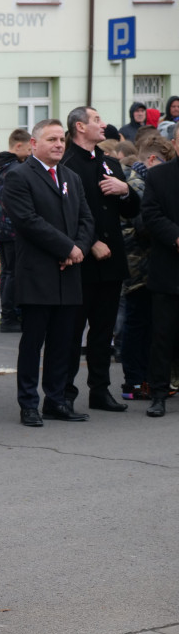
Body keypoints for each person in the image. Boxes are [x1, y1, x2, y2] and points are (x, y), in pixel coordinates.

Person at [2, 119, 94, 427]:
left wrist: (77, 248)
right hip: (37, 273)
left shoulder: (71, 177)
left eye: (61, 140)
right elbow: (27, 221)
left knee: (63, 342)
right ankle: (28, 403)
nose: (58, 144)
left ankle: (56, 400)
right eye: (52, 139)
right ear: (34, 144)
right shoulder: (18, 176)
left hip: (68, 274)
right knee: (33, 343)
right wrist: (67, 248)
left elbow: (85, 218)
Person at [61, 106, 141, 413]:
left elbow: (132, 210)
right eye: (96, 120)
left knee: (103, 330)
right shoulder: (67, 164)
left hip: (111, 261)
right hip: (81, 260)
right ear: (80, 127)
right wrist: (90, 242)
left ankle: (100, 390)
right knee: (72, 331)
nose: (103, 124)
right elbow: (64, 215)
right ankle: (65, 392)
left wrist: (125, 190)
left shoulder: (109, 163)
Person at [120, 136, 174, 401]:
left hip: (142, 263)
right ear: (152, 160)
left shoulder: (133, 181)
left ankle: (140, 379)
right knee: (139, 324)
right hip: (138, 264)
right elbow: (144, 225)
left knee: (143, 324)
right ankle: (135, 381)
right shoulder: (138, 183)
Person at [142, 126, 179, 417]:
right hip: (169, 268)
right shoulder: (158, 176)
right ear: (175, 143)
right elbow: (151, 215)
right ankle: (158, 394)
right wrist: (176, 236)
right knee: (162, 336)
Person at [0, 129, 32, 333]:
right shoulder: (14, 168)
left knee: (7, 272)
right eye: (30, 148)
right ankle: (10, 316)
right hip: (12, 227)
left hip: (0, 226)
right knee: (13, 273)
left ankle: (8, 315)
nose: (32, 152)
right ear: (19, 146)